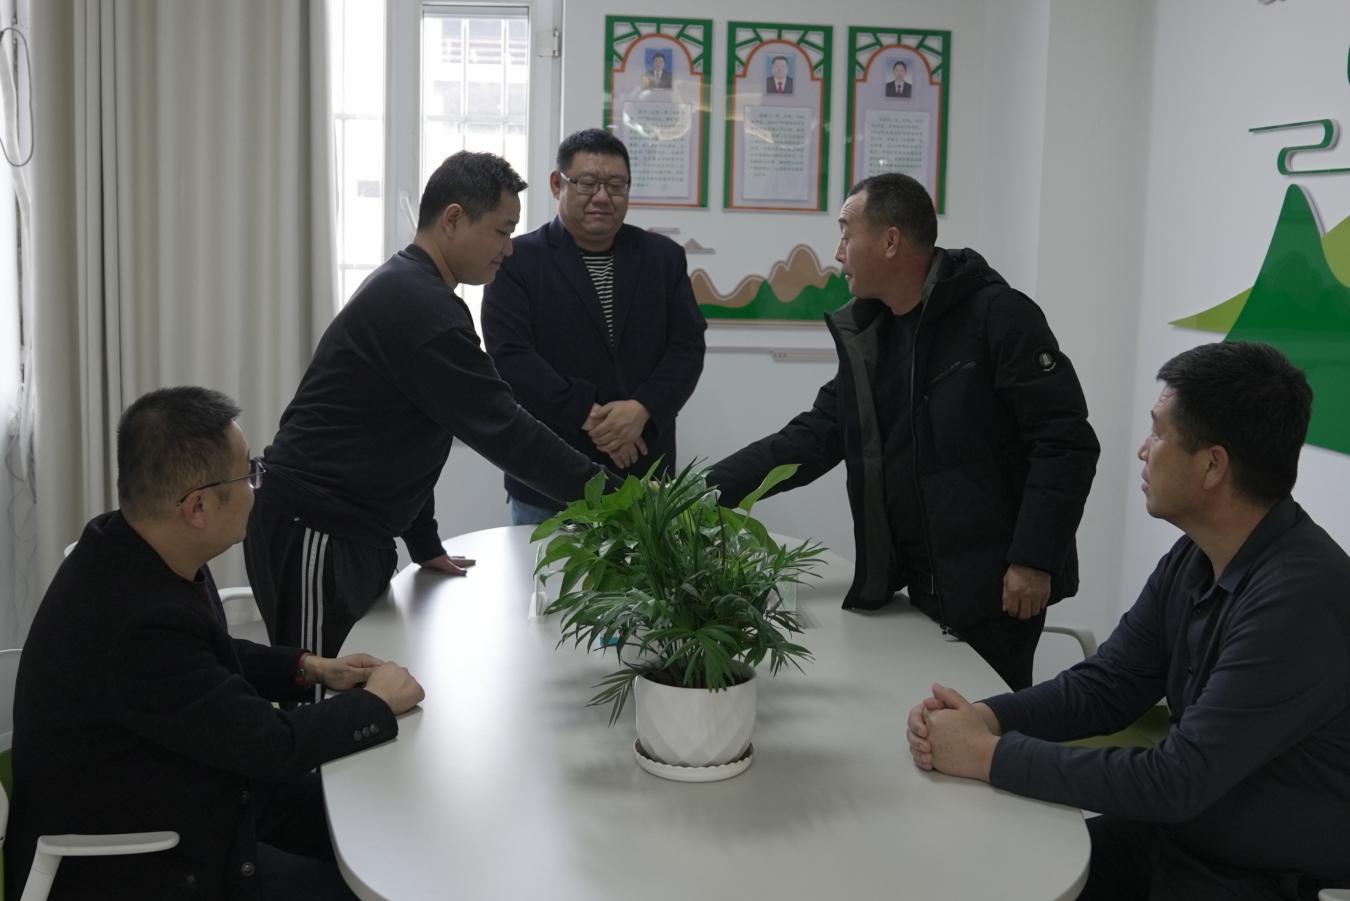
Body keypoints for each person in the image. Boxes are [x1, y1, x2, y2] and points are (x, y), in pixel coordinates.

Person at [906, 341, 1350, 900]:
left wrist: (984, 755)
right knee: (990, 874)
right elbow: (1108, 685)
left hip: (1256, 879)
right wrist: (986, 718)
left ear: (1213, 465)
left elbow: (1175, 779)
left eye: (1158, 433)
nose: (1143, 450)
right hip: (1181, 838)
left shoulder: (1300, 599)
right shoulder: (1197, 556)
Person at [5, 387, 425, 900]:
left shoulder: (126, 546)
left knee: (377, 825)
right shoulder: (137, 621)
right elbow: (271, 745)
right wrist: (376, 703)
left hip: (185, 784)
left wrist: (309, 667)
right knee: (367, 883)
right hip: (136, 857)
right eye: (248, 473)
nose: (257, 485)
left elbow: (200, 659)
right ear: (198, 506)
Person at [708, 172, 1099, 690]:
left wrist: (1034, 559)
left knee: (987, 722)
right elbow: (811, 438)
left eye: (846, 233)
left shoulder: (998, 316)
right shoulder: (875, 334)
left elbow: (1065, 443)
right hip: (919, 585)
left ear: (890, 240)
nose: (838, 252)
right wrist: (702, 491)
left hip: (997, 588)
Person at [245, 151, 613, 667]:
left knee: (358, 684)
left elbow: (411, 431)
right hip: (316, 529)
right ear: (454, 219)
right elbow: (508, 431)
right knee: (321, 688)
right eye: (502, 231)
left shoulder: (417, 289)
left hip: (347, 530)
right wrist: (619, 501)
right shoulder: (420, 305)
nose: (509, 249)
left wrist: (423, 541)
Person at [482, 129, 706, 525]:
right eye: (587, 183)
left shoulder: (663, 258)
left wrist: (642, 409)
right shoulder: (516, 259)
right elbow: (511, 357)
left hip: (644, 471)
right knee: (542, 569)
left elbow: (687, 347)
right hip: (548, 476)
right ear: (557, 184)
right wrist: (592, 419)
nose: (603, 197)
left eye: (616, 185)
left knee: (644, 568)